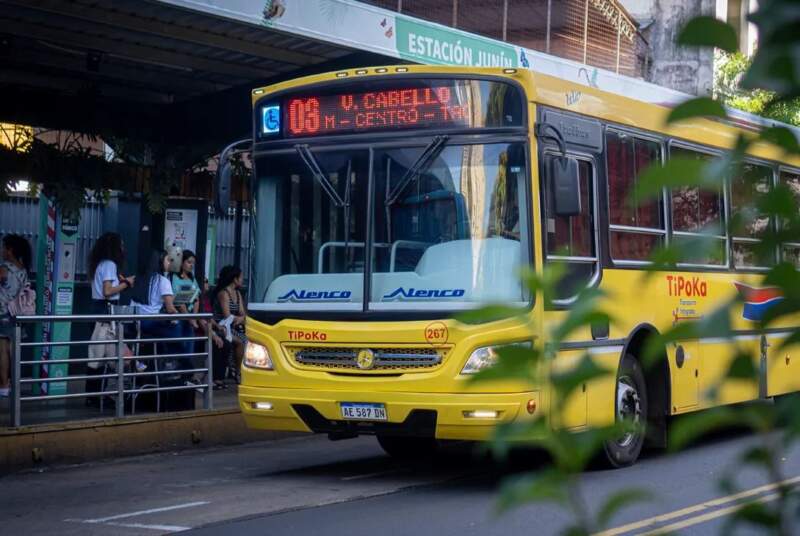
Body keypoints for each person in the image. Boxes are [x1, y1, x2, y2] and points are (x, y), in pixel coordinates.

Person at [86, 233, 136, 403]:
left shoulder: (99, 264)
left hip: (97, 310)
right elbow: (107, 291)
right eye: (121, 245)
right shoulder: (109, 264)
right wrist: (126, 283)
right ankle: (98, 396)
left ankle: (93, 396)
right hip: (106, 312)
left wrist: (121, 283)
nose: (123, 248)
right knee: (108, 356)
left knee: (97, 356)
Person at [0, 234, 32, 397]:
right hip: (18, 313)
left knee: (2, 350)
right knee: (14, 350)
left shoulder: (4, 268)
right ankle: (14, 383)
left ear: (10, 250)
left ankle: (4, 385)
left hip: (3, 313)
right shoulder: (23, 268)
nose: (2, 251)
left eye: (4, 248)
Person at [214, 265, 247, 383]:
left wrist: (240, 318)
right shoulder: (224, 294)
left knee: (250, 339)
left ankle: (238, 369)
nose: (242, 280)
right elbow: (227, 316)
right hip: (221, 327)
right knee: (241, 341)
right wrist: (240, 318)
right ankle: (238, 372)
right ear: (235, 279)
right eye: (241, 277)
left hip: (233, 326)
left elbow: (243, 313)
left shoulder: (237, 293)